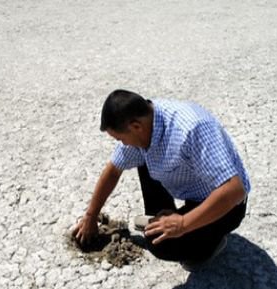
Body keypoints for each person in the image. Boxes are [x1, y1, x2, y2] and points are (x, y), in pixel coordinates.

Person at [72, 89, 251, 271]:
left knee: (160, 244)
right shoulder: (147, 122)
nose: (122, 144)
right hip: (194, 190)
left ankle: (209, 245)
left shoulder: (190, 129)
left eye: (121, 138)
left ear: (135, 127)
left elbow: (234, 190)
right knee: (141, 155)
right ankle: (165, 220)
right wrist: (91, 216)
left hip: (227, 206)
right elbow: (113, 170)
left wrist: (182, 223)